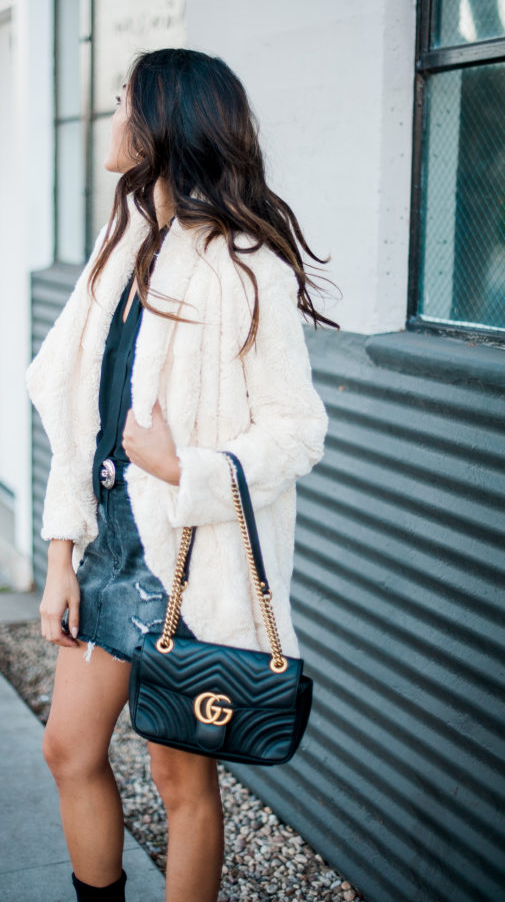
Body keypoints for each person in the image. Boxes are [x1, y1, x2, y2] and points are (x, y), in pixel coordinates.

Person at [25, 47, 337, 902]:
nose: (111, 113)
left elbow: (297, 429)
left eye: (123, 99)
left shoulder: (246, 262)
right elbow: (76, 415)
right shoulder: (121, 243)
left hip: (192, 569)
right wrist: (59, 557)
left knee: (181, 788)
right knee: (68, 750)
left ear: (161, 122)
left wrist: (189, 468)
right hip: (109, 555)